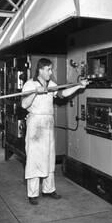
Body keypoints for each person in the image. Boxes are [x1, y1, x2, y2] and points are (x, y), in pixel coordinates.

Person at [21, 58, 88, 205]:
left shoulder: (51, 85)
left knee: (49, 156)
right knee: (34, 158)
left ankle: (49, 189)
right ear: (40, 70)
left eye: (51, 69)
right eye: (48, 69)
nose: (51, 72)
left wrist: (79, 86)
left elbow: (62, 94)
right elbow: (24, 104)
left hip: (48, 124)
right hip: (36, 125)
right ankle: (32, 193)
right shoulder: (29, 84)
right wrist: (35, 93)